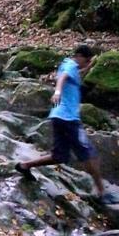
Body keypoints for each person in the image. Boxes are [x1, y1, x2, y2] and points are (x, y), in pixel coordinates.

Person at [15, 44, 107, 200]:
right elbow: (63, 77)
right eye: (86, 60)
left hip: (57, 117)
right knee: (90, 154)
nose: (86, 63)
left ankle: (24, 166)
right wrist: (57, 92)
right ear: (79, 57)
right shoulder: (70, 67)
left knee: (59, 156)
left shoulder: (69, 65)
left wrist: (90, 66)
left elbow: (74, 74)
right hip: (69, 119)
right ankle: (101, 193)